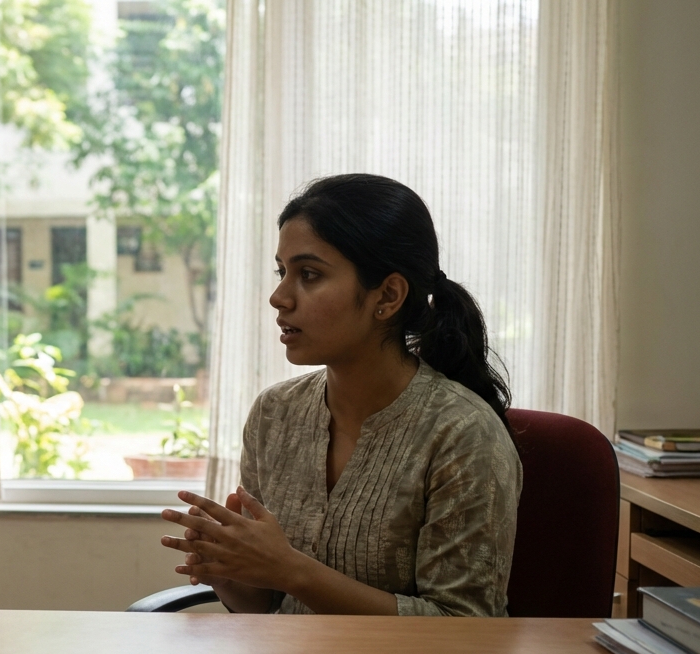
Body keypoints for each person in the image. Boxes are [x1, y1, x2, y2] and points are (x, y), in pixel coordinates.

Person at [160, 173, 521, 616]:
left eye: (309, 274)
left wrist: (292, 570)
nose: (279, 297)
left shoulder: (463, 432)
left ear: (387, 296)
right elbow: (266, 608)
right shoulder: (274, 413)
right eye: (282, 272)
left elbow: (465, 629)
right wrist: (229, 571)